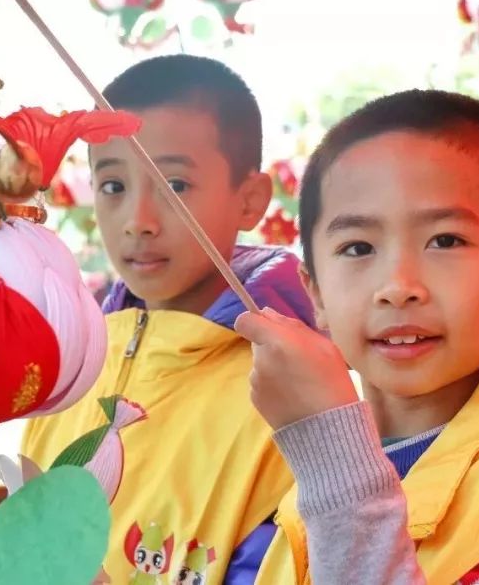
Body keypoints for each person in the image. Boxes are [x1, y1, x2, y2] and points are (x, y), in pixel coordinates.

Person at [237, 90, 479, 582]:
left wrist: (337, 468)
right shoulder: (317, 457)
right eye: (358, 247)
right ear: (315, 293)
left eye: (446, 240)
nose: (398, 287)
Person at [19, 55, 316, 584]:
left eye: (174, 185)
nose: (139, 222)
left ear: (250, 201)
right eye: (113, 187)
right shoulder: (70, 373)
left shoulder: (289, 391)